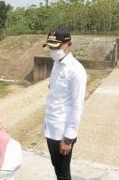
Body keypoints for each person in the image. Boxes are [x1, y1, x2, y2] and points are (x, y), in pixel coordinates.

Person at [42, 27, 87, 180]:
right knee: (58, 169)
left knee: (63, 174)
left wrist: (68, 138)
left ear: (69, 45)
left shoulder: (76, 70)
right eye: (50, 46)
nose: (53, 50)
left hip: (63, 132)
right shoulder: (57, 64)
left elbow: (77, 105)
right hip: (51, 128)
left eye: (57, 46)